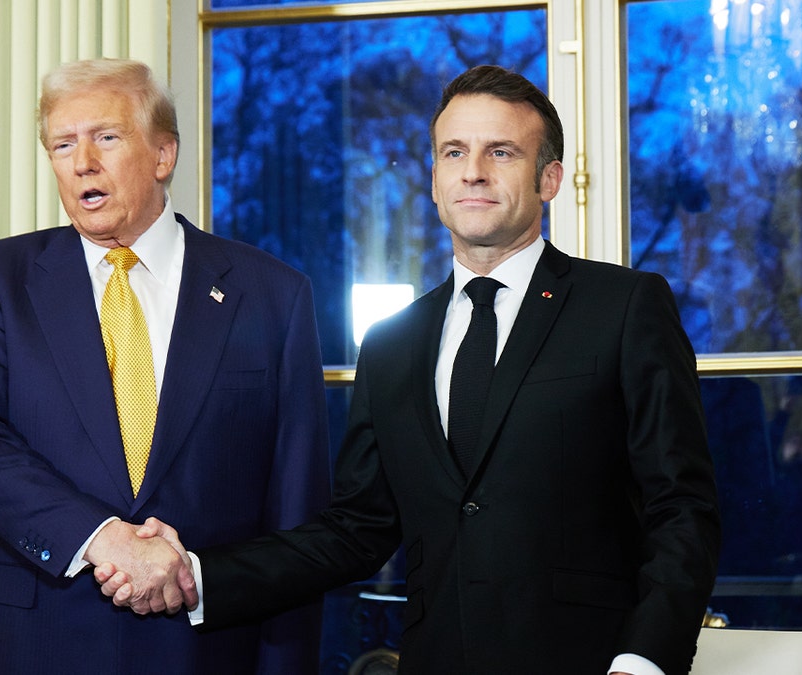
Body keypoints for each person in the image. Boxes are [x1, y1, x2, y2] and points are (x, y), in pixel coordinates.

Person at [101, 64, 722, 674]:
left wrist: (644, 660)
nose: (473, 172)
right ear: (433, 179)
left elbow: (682, 507)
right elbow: (356, 530)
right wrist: (198, 574)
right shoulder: (394, 343)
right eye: (454, 152)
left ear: (550, 179)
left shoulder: (625, 306)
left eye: (501, 152)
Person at [0, 58, 330, 674]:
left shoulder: (272, 294)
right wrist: (101, 537)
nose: (81, 161)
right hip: (28, 643)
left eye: (105, 137)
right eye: (62, 144)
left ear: (163, 155)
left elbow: (297, 512)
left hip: (205, 649)